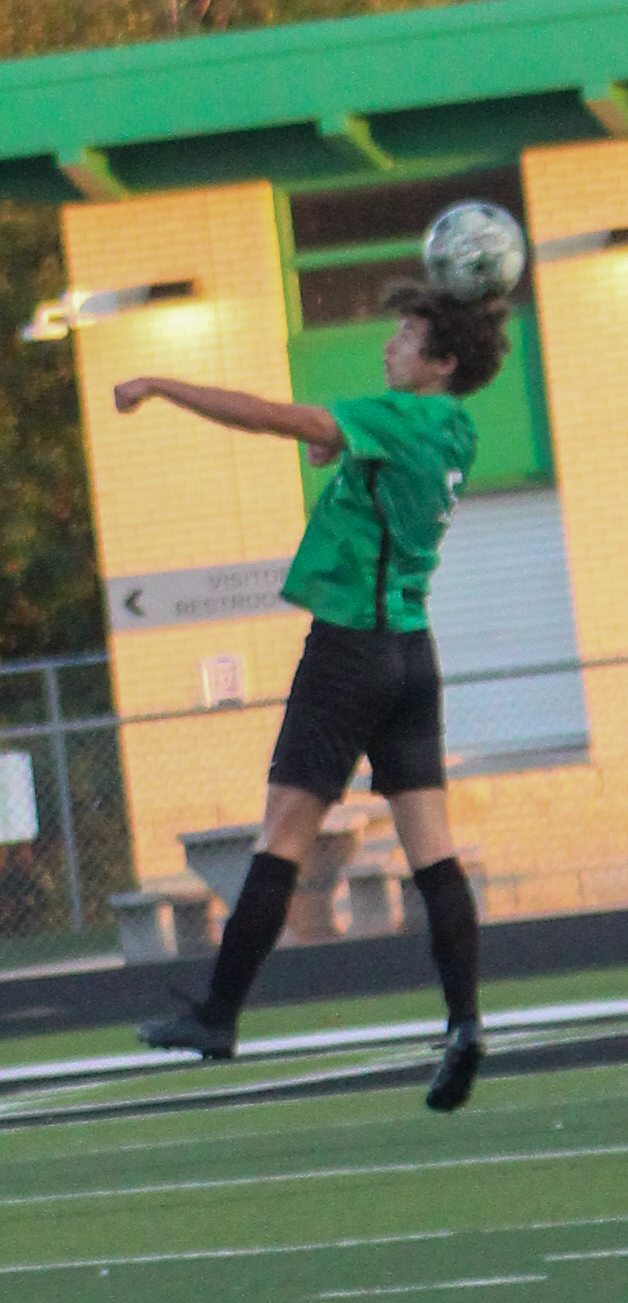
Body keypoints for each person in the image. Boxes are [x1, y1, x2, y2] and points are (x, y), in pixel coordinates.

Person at [113, 280, 510, 1111]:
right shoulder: (457, 426)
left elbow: (266, 416)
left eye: (404, 335)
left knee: (283, 834)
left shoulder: (396, 417)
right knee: (431, 849)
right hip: (410, 649)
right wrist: (345, 454)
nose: (387, 344)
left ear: (439, 362)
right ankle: (465, 1021)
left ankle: (217, 1015)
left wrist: (160, 384)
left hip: (347, 653)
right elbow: (379, 471)